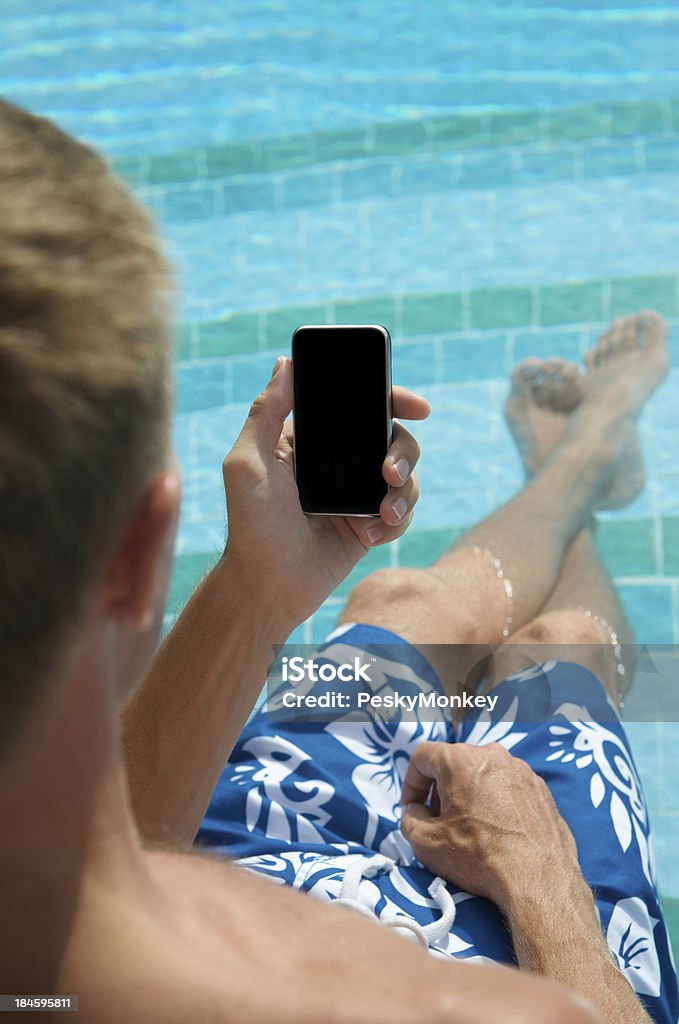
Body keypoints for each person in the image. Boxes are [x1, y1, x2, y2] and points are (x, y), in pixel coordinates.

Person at [0, 96, 672, 1024]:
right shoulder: (471, 1013)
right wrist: (535, 871)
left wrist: (258, 592)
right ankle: (584, 467)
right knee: (554, 651)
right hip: (528, 940)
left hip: (206, 830)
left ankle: (575, 473)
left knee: (401, 593)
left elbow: (132, 852)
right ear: (140, 548)